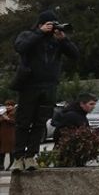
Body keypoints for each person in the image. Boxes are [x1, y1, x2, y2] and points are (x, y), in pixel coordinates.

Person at [10, 10, 78, 171]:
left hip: (49, 87)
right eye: (49, 24)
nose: (52, 28)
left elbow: (75, 55)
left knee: (40, 124)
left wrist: (64, 40)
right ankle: (18, 157)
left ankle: (31, 156)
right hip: (29, 86)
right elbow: (20, 47)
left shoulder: (57, 41)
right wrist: (40, 33)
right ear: (41, 24)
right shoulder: (29, 35)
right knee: (23, 122)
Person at [0, 101, 15, 170]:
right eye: (7, 105)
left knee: (11, 151)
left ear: (13, 106)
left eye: (9, 105)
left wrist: (8, 119)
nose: (8, 107)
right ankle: (1, 165)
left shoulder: (14, 113)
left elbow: (15, 122)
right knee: (2, 151)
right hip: (3, 135)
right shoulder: (3, 113)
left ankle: (11, 164)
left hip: (11, 135)